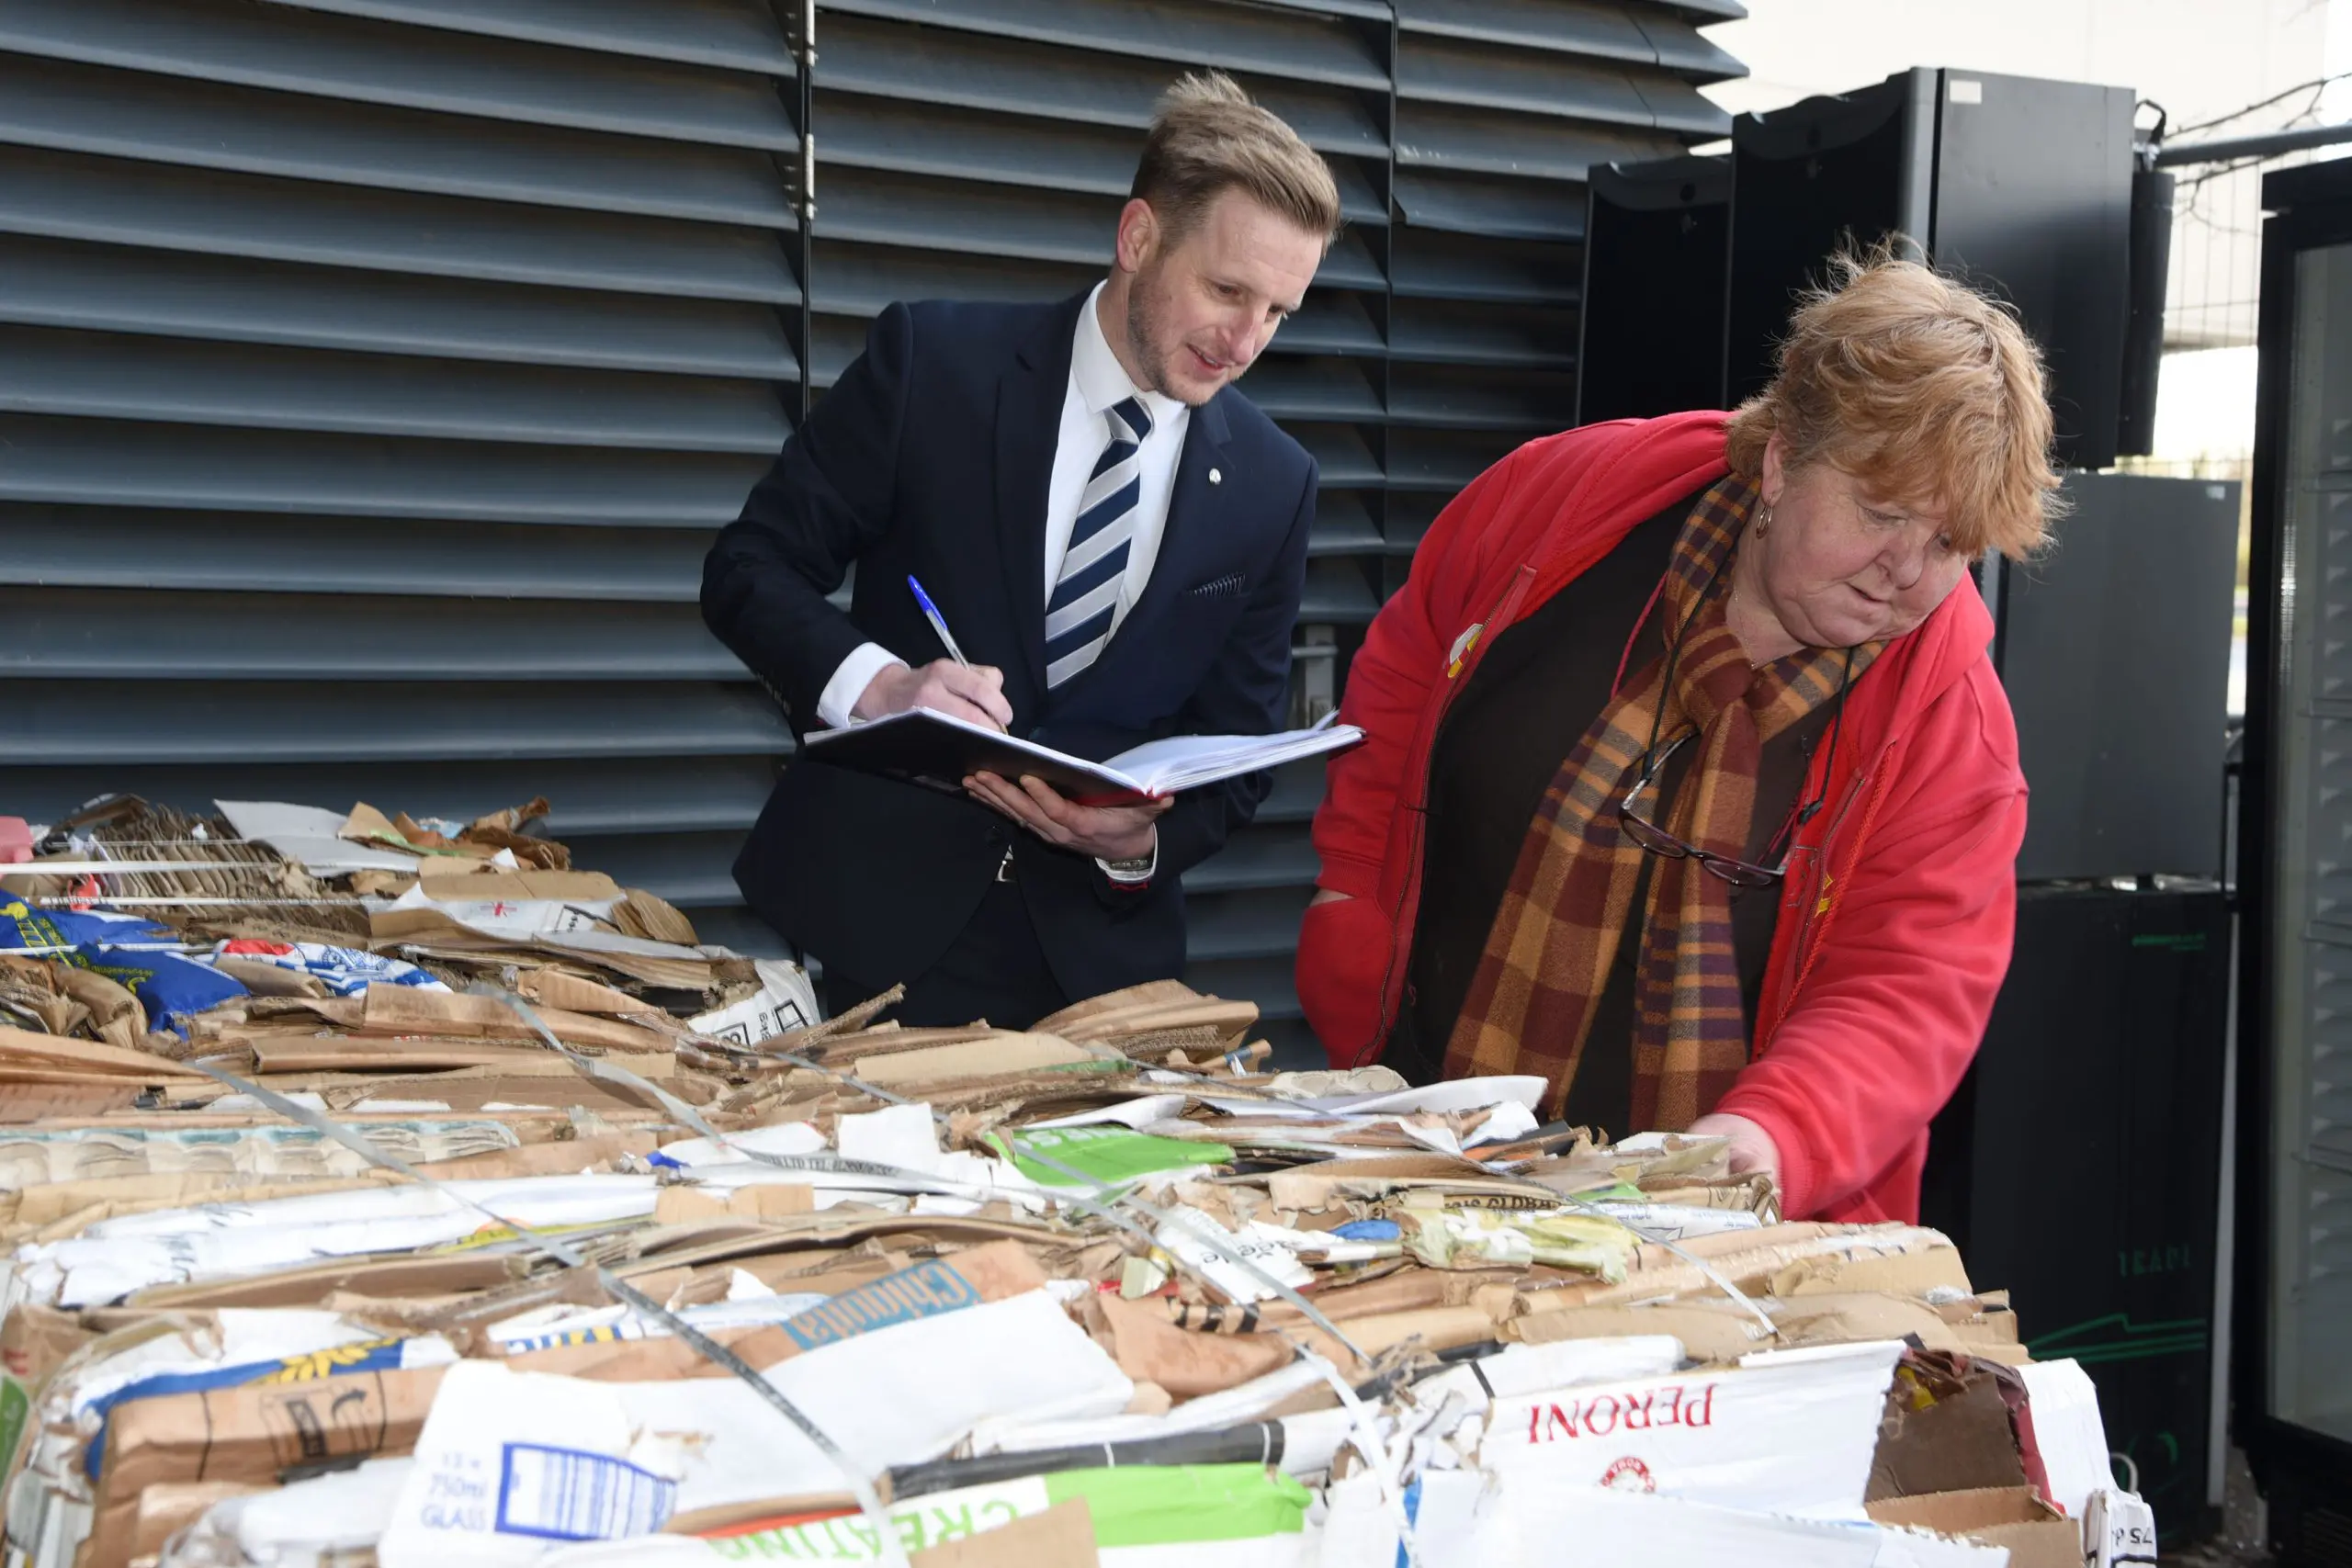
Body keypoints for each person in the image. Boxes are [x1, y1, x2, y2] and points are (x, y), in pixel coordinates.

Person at [1296, 251, 2061, 1224]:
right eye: (1880, 512)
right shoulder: (1565, 504)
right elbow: (1404, 675)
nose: (1902, 571)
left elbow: (1907, 991)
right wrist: (1347, 906)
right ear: (1781, 459)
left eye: (1950, 545)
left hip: (1708, 1221)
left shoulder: (1953, 731)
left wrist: (1770, 1138)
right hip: (1416, 1132)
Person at [703, 73, 1339, 1030]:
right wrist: (878, 687)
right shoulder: (933, 365)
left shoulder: (1273, 480)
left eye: (1279, 312)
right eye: (1227, 290)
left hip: (1100, 977)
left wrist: (1136, 843)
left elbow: (1238, 752)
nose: (1246, 340)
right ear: (1137, 238)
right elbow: (749, 569)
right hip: (869, 934)